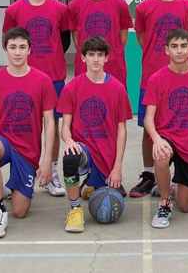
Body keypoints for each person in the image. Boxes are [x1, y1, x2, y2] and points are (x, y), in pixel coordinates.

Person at [131, 0, 188, 198]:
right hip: (151, 77)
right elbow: (142, 39)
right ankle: (148, 175)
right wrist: (159, 57)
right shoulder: (143, 7)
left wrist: (180, 59)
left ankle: (186, 175)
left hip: (183, 78)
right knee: (148, 127)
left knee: (186, 123)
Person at [0, 27, 57, 238]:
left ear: (30, 50)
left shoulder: (43, 80)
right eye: (12, 47)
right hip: (2, 140)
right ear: (5, 49)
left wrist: (47, 160)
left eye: (22, 47)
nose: (17, 52)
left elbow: (50, 122)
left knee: (20, 211)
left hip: (27, 150)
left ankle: (8, 188)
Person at [2, 0, 70, 197]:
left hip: (53, 77)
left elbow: (64, 40)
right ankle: (19, 177)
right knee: (22, 127)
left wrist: (50, 58)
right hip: (23, 79)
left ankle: (52, 174)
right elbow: (8, 40)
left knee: (53, 126)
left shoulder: (60, 9)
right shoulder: (14, 10)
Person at [143, 29, 188, 228]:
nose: (179, 51)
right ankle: (165, 202)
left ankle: (171, 187)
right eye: (174, 46)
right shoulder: (156, 79)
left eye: (183, 46)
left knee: (185, 206)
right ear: (167, 50)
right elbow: (148, 118)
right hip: (166, 136)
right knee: (161, 154)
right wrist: (157, 139)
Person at [57, 36, 132, 233]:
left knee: (104, 192)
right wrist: (69, 141)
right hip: (85, 150)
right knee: (71, 156)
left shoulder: (117, 89)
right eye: (91, 54)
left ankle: (91, 183)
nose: (96, 59)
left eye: (100, 55)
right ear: (83, 57)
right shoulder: (71, 87)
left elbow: (122, 130)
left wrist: (117, 167)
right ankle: (75, 210)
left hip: (107, 153)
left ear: (107, 58)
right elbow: (65, 127)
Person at [68, 0, 133, 86]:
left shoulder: (120, 4)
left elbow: (122, 39)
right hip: (85, 70)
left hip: (114, 69)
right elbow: (77, 40)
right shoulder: (74, 5)